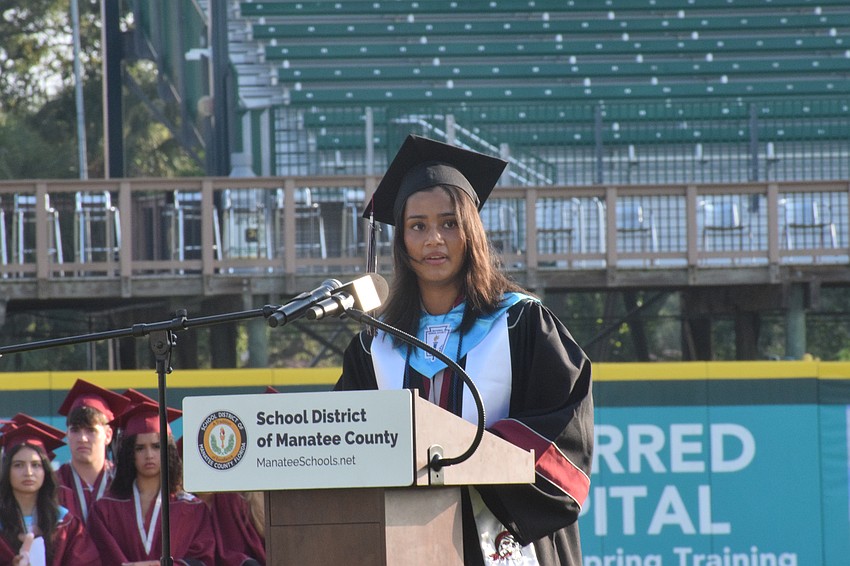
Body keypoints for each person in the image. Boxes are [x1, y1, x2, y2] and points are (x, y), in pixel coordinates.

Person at [334, 135, 594, 565]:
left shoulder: (521, 325)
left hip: (506, 541)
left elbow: (565, 439)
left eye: (449, 223)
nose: (434, 238)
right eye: (417, 226)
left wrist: (465, 456)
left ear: (471, 232)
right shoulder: (372, 346)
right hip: (403, 544)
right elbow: (347, 447)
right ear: (401, 241)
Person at [88, 401, 216, 565]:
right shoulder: (105, 509)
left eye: (156, 446)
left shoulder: (192, 508)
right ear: (129, 453)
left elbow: (204, 559)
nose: (149, 455)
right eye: (140, 448)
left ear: (168, 450)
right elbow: (99, 556)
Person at [0, 416, 102, 565]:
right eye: (18, 465)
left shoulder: (65, 523)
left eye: (36, 465)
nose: (28, 472)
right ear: (7, 470)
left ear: (46, 471)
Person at [56, 378, 131, 523]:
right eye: (75, 430)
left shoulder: (124, 481)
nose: (82, 438)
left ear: (108, 435)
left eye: (91, 430)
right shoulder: (53, 483)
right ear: (67, 435)